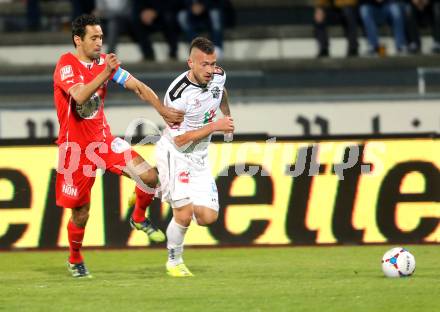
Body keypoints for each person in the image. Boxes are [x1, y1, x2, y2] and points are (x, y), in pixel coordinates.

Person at [53, 14, 184, 278]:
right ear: (78, 40)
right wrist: (105, 73)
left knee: (149, 176)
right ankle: (74, 258)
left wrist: (162, 110)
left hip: (103, 142)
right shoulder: (66, 64)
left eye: (101, 37)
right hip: (75, 150)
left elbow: (136, 86)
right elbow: (79, 95)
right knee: (81, 212)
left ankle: (137, 216)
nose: (100, 42)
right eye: (94, 37)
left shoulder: (103, 63)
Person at [153, 37, 233, 277]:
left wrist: (228, 115)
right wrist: (216, 126)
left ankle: (155, 188)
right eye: (204, 65)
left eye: (212, 63)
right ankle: (174, 261)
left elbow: (222, 93)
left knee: (208, 217)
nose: (210, 70)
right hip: (175, 154)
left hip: (199, 157)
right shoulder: (177, 96)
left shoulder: (219, 75)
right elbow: (179, 139)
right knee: (184, 213)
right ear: (190, 63)